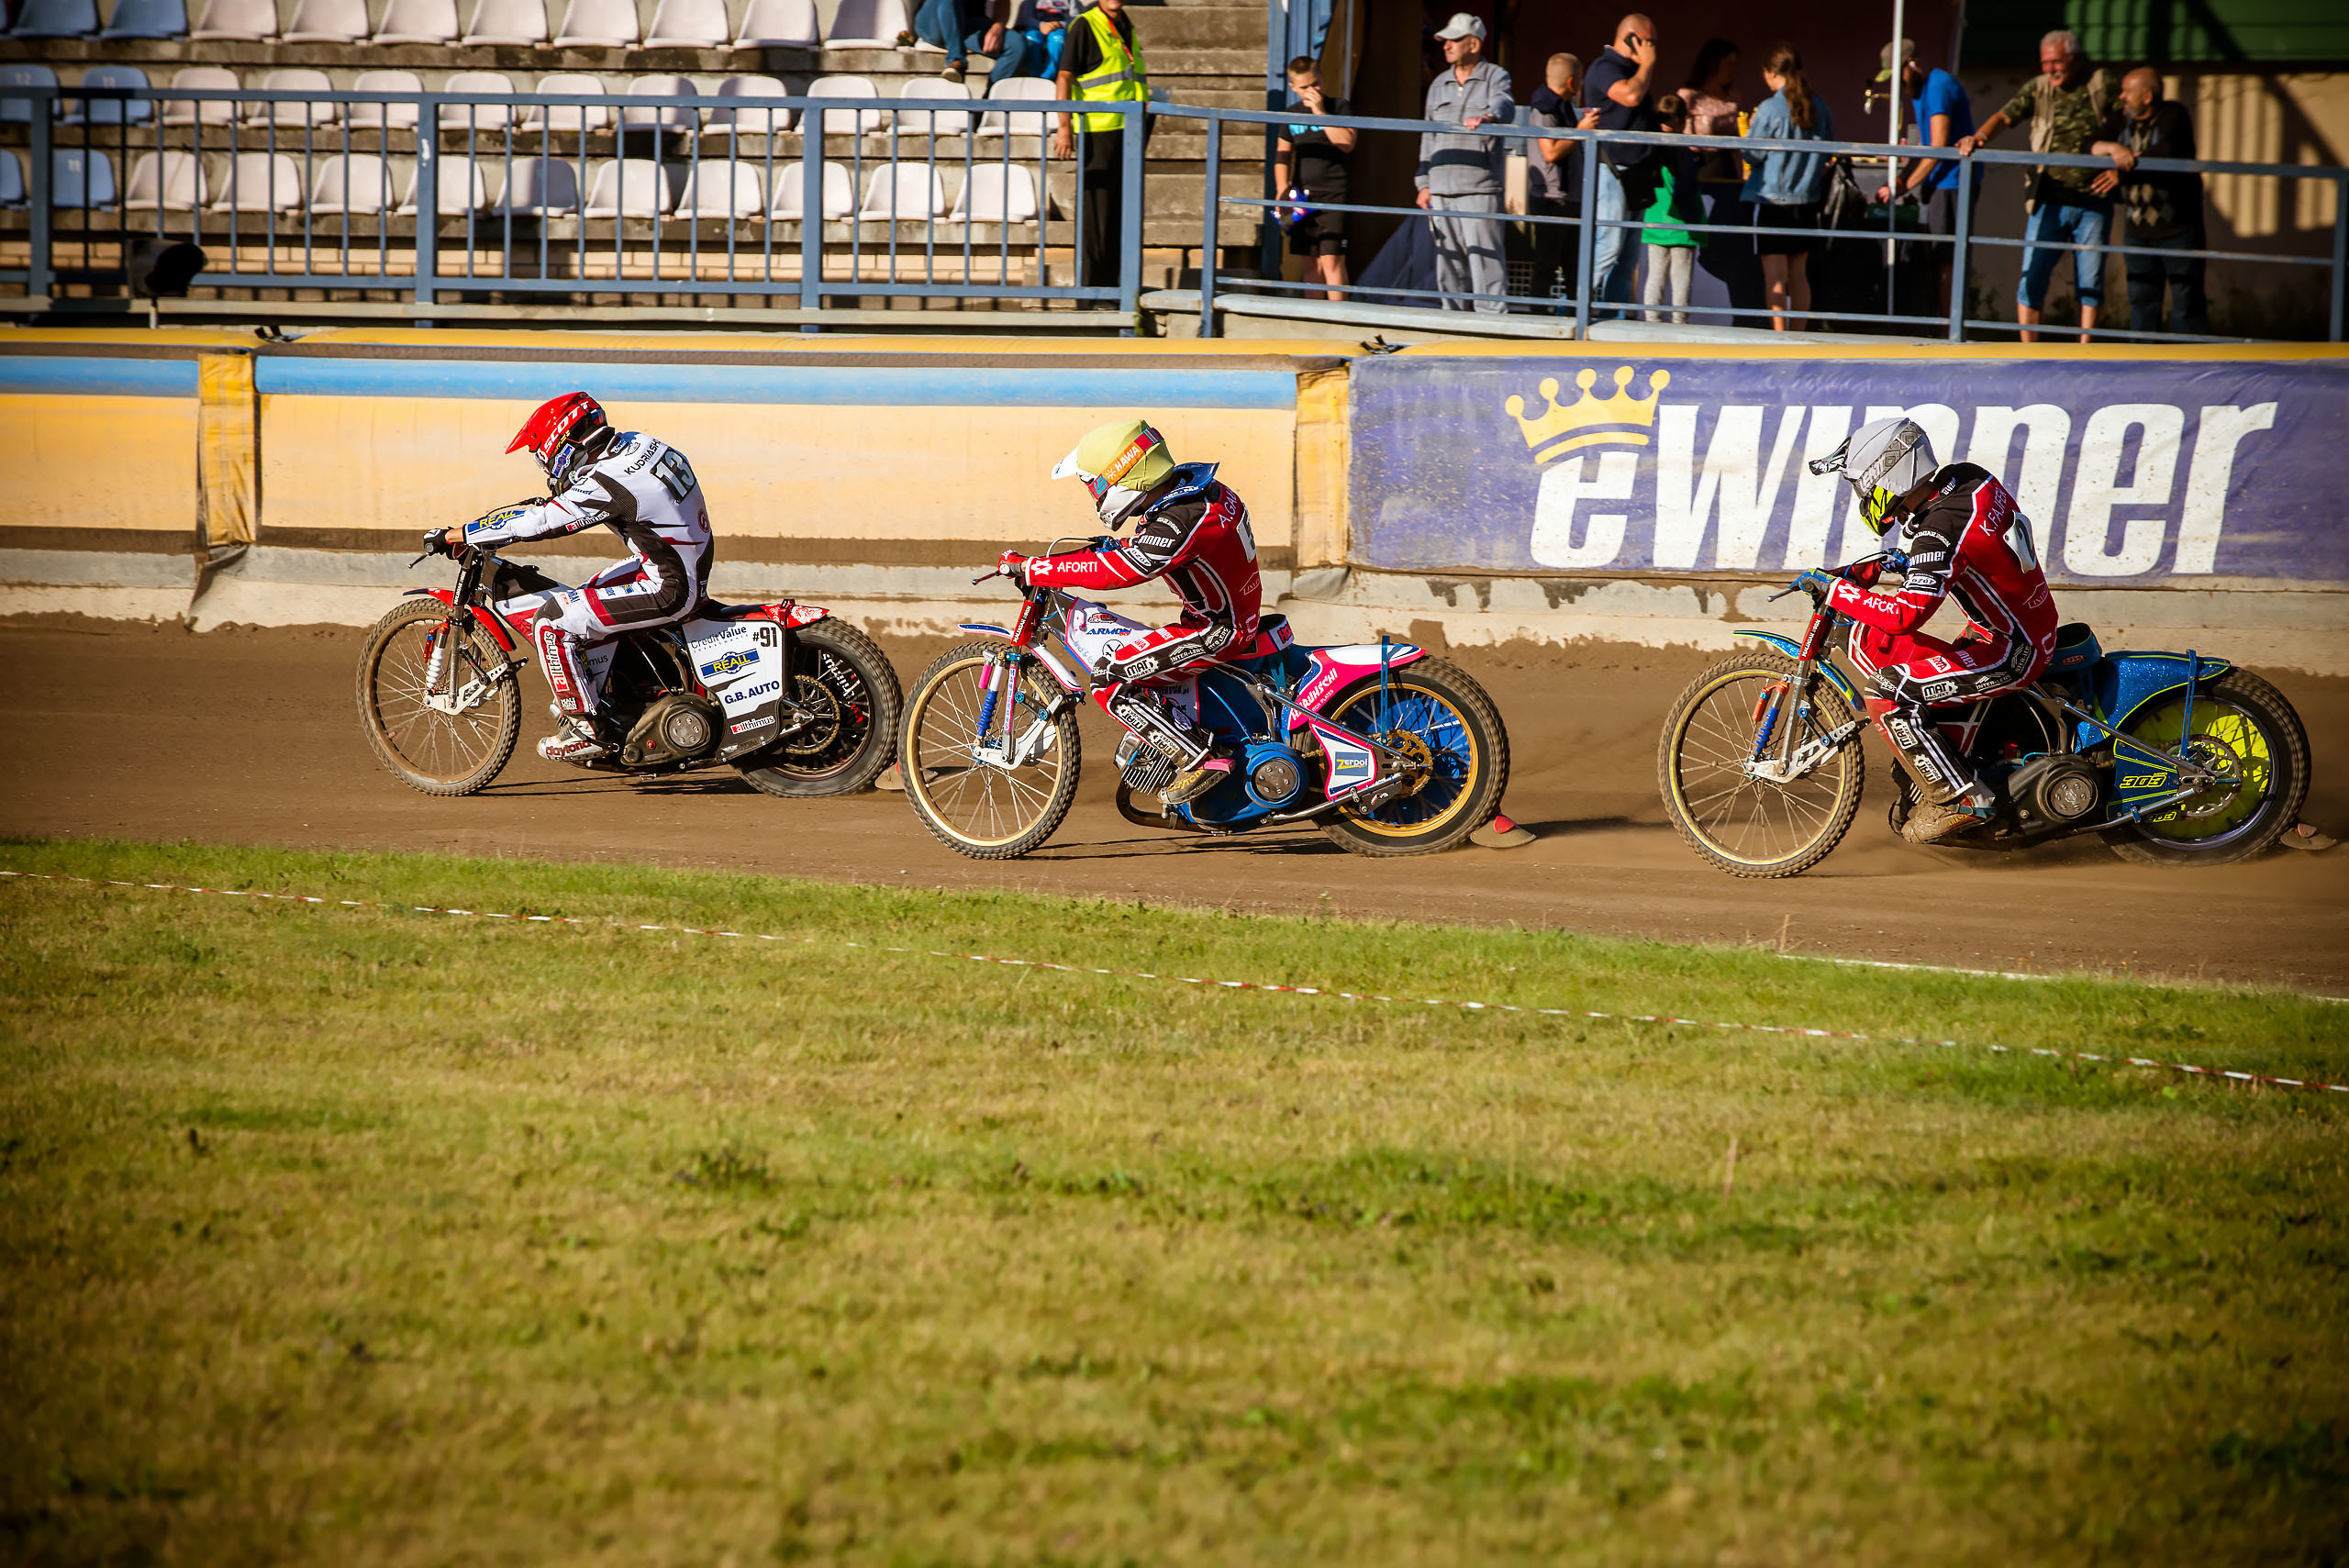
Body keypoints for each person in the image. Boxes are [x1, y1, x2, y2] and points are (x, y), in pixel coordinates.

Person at [1798, 417, 2060, 846]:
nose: (1863, 496)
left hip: (2010, 652)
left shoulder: (1940, 531)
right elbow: (1970, 550)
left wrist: (1837, 591)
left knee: (1886, 692)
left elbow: (1905, 615)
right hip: (2018, 628)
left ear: (1886, 475)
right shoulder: (1967, 479)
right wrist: (1897, 562)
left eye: (1862, 485)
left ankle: (1961, 799)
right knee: (1913, 670)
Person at [435, 393, 714, 767]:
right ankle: (627, 694)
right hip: (679, 562)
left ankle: (587, 728)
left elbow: (544, 522)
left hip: (669, 585)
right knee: (586, 598)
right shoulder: (639, 445)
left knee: (552, 620)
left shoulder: (605, 480)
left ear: (560, 444)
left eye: (542, 457)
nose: (545, 467)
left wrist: (462, 533)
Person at [999, 419, 1263, 808]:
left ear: (1122, 475)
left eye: (1092, 483)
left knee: (1111, 676)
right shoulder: (1197, 493)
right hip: (1221, 618)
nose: (1092, 493)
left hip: (1217, 630)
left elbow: (1119, 571)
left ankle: (1200, 758)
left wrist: (1035, 567)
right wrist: (1110, 547)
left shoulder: (1183, 518)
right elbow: (1146, 549)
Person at [1958, 29, 2114, 344]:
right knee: (2032, 275)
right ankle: (2029, 352)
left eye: (2056, 62)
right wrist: (1979, 137)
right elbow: (2005, 116)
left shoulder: (2101, 83)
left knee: (2090, 280)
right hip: (2047, 197)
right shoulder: (2039, 89)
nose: (2050, 69)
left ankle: (2087, 351)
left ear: (2074, 59)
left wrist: (2121, 166)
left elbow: (2128, 121)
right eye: (2045, 63)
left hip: (2093, 199)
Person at [2091, 67, 2206, 337]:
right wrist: (2114, 149)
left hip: (2178, 229)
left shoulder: (2173, 115)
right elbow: (2091, 143)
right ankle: (2142, 365)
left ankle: (2191, 366)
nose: (2121, 97)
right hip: (2138, 231)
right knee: (2142, 303)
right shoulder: (2121, 121)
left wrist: (2124, 170)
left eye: (2127, 92)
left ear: (2147, 96)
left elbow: (2167, 152)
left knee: (2186, 304)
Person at [1413, 12, 1512, 315]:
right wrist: (1423, 182)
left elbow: (1505, 104)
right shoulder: (1438, 83)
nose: (1446, 46)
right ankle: (1451, 324)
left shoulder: (1496, 76)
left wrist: (1488, 116)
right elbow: (1427, 136)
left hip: (1479, 189)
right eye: (1445, 40)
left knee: (1487, 263)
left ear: (1473, 44)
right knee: (1447, 264)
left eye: (1454, 40)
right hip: (1441, 189)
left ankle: (1492, 328)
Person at [1871, 37, 1976, 316]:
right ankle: (1941, 322)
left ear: (1912, 65)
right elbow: (1926, 146)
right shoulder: (1919, 92)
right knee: (1938, 257)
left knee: (1947, 259)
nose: (1898, 85)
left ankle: (1948, 328)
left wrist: (1903, 186)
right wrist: (1900, 182)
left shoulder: (1938, 86)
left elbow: (1939, 146)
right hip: (1938, 182)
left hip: (1953, 181)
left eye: (1898, 76)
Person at [1052, 0, 1147, 291]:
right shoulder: (1086, 24)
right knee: (1097, 215)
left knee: (1121, 211)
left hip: (1129, 130)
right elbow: (1064, 77)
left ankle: (1119, 287)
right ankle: (1093, 290)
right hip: (1098, 130)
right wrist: (1064, 127)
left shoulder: (1124, 24)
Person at [1742, 42, 1831, 331]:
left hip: (1772, 200)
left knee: (1775, 277)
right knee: (1799, 274)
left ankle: (1779, 338)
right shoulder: (1819, 106)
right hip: (1807, 199)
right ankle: (1798, 334)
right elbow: (1830, 148)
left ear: (1771, 74)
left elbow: (1751, 154)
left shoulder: (1770, 108)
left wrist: (1751, 127)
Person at [1583, 11, 1662, 315]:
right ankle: (1577, 312)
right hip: (1611, 171)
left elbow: (1633, 112)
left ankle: (1611, 317)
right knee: (1607, 247)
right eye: (1649, 42)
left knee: (1627, 258)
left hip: (1636, 173)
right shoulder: (1605, 67)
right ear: (1632, 39)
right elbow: (1628, 96)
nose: (1653, 49)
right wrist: (1649, 65)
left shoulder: (1635, 70)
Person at [1681, 38, 1762, 318]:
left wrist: (1744, 175)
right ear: (1713, 63)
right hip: (1701, 173)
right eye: (1728, 64)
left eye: (1735, 65)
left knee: (1731, 244)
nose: (1732, 70)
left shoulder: (1733, 98)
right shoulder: (1688, 96)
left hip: (1728, 176)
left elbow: (1737, 146)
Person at [1274, 56, 1356, 303]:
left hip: (1334, 194)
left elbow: (1347, 143)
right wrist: (1282, 191)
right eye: (1304, 87)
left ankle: (1340, 318)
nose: (1312, 91)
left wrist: (1320, 113)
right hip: (1300, 197)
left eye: (1315, 84)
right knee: (1309, 261)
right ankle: (1315, 317)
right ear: (1293, 88)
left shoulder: (1339, 106)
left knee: (1331, 259)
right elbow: (1282, 156)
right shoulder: (1291, 114)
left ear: (1322, 78)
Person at [1526, 52, 1599, 314]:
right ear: (1571, 81)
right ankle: (1537, 323)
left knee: (1574, 264)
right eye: (1580, 79)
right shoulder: (1545, 106)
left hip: (1570, 198)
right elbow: (1551, 152)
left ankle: (1578, 319)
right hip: (1552, 199)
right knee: (1547, 263)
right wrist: (1581, 131)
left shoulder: (1563, 104)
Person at [1639, 94, 1703, 322]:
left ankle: (1651, 321)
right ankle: (1679, 323)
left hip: (1655, 220)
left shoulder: (1650, 148)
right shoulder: (1686, 152)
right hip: (1683, 226)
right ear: (1684, 120)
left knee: (1655, 276)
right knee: (1681, 278)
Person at [913, 0, 1019, 88]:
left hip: (969, 24)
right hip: (934, 23)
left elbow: (1003, 3)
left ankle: (988, 105)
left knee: (1016, 44)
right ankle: (956, 61)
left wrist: (997, 27)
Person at [1011, 0, 1067, 81]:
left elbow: (1077, 17)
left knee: (1058, 40)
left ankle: (1048, 76)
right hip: (1034, 29)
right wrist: (1042, 25)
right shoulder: (1030, 2)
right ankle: (1034, 75)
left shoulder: (1071, 1)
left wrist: (1059, 24)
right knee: (1032, 38)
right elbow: (1025, 19)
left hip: (1059, 29)